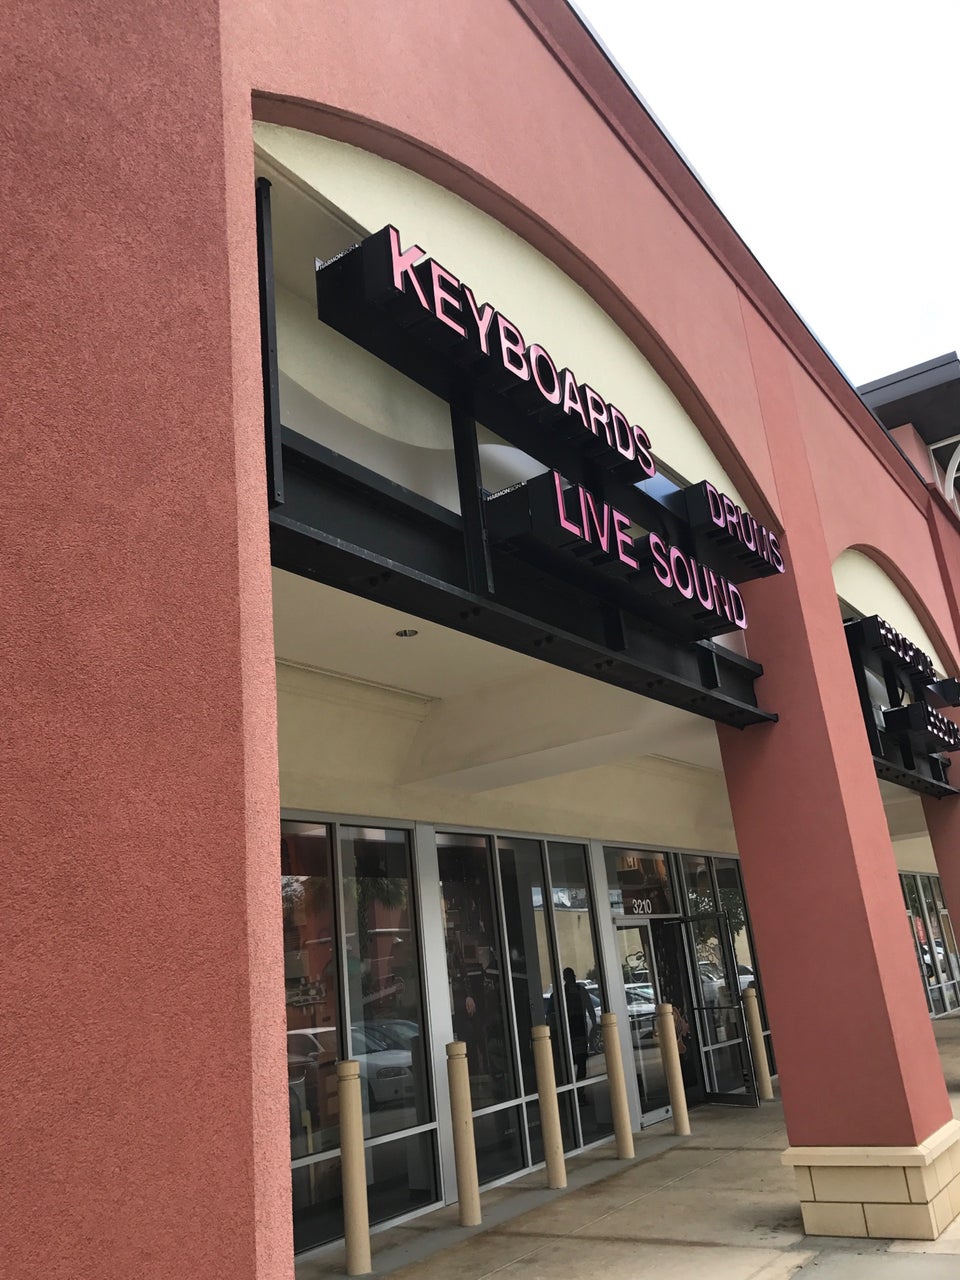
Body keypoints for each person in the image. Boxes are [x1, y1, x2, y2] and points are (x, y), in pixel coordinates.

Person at [562, 967, 597, 1082]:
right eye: (569, 976)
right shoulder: (562, 993)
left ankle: (580, 1087)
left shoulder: (581, 990)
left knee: (582, 1060)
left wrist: (594, 1023)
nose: (571, 979)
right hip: (568, 1030)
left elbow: (590, 1008)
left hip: (580, 1029)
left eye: (572, 976)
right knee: (570, 1060)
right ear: (565, 978)